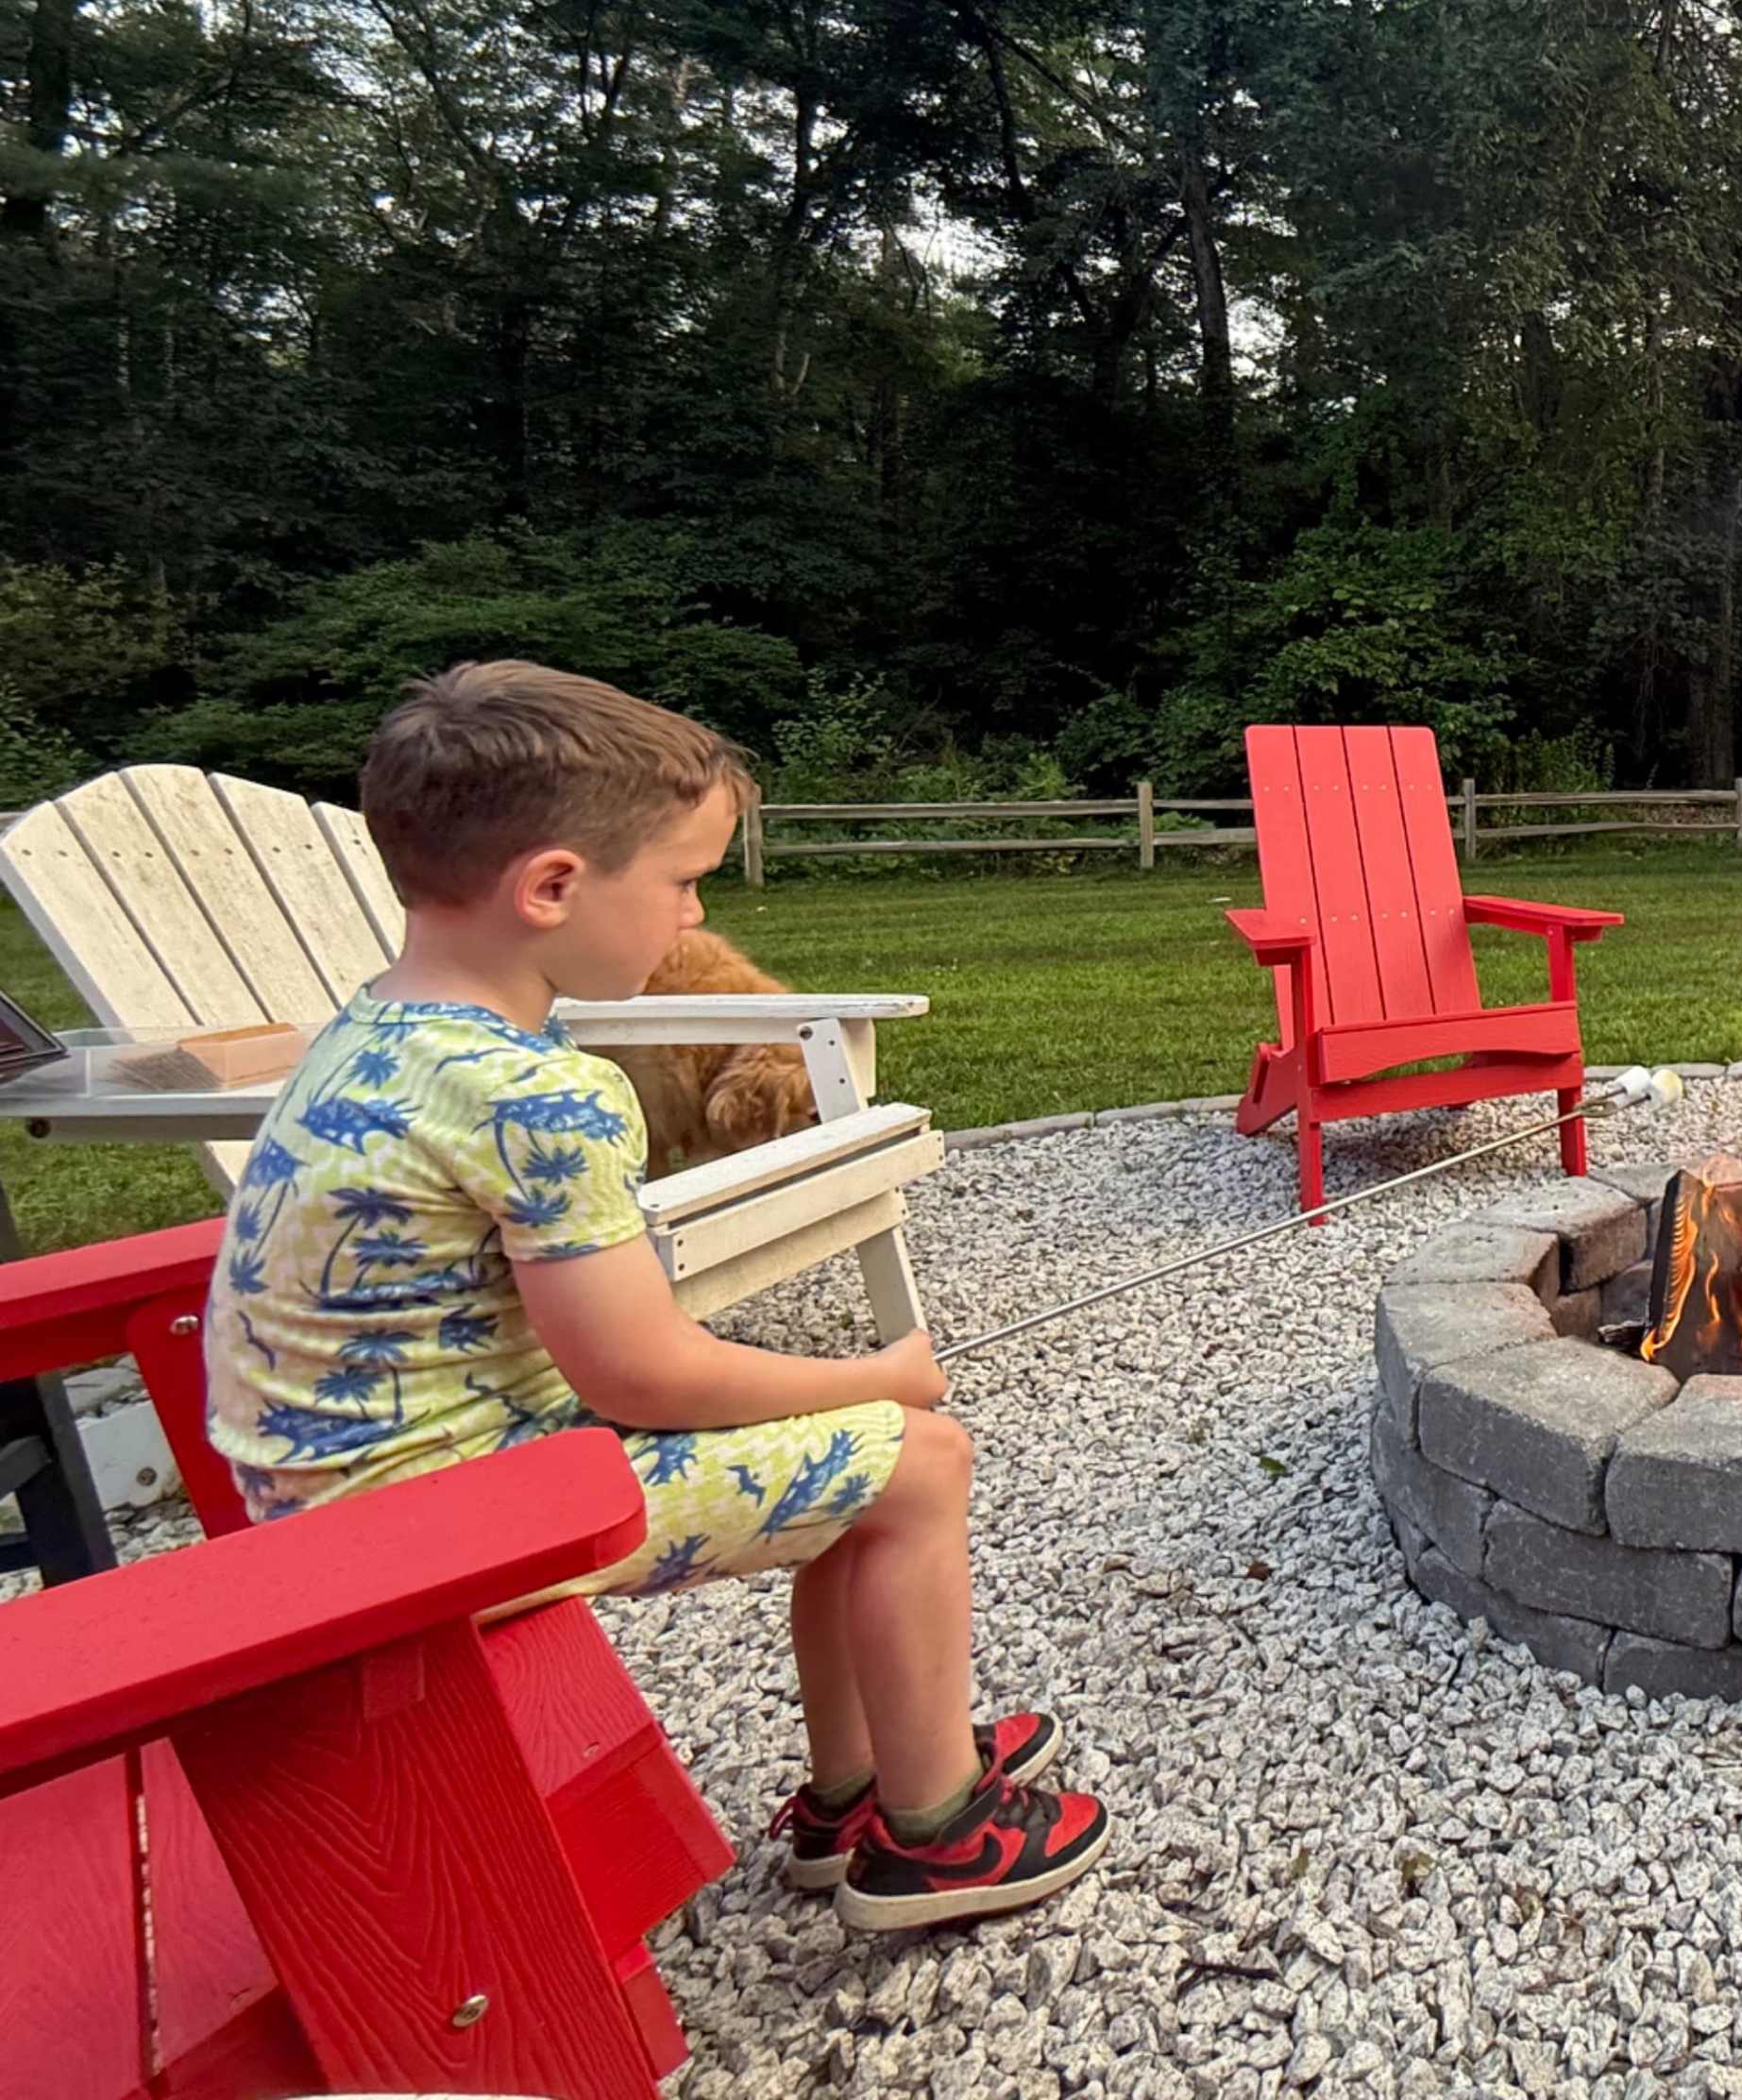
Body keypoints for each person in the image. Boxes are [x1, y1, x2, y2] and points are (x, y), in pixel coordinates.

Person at [204, 659, 1112, 1932]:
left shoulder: (375, 1031)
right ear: (554, 888)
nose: (691, 919)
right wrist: (879, 1373)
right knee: (920, 1463)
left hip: (339, 1501)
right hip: (445, 1523)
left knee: (872, 1468)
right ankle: (935, 1832)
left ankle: (850, 1793)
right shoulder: (543, 1095)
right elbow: (641, 1375)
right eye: (682, 885)